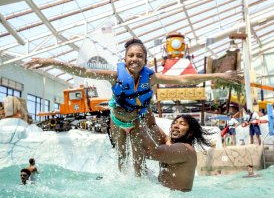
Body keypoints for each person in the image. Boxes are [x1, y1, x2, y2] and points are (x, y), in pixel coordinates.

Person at [24, 38, 241, 177]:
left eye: (139, 56)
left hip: (135, 121)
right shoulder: (114, 75)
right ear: (125, 59)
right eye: (131, 55)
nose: (134, 59)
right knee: (121, 155)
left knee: (138, 160)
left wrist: (219, 75)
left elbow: (185, 80)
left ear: (145, 60)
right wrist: (51, 62)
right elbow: (83, 72)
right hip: (117, 121)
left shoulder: (152, 77)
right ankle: (121, 182)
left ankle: (138, 184)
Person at [133, 114, 212, 191]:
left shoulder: (186, 150)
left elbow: (151, 152)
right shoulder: (169, 143)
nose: (175, 126)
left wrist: (134, 121)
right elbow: (152, 125)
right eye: (174, 123)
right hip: (164, 194)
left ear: (190, 133)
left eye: (182, 124)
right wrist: (144, 106)